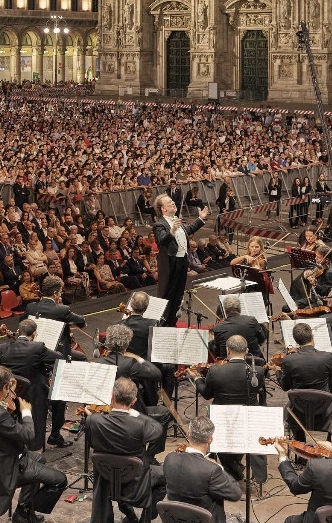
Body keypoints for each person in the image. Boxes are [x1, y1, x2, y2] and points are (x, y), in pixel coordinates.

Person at [0, 366, 68, 523]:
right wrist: (26, 412)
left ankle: (22, 511)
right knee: (60, 480)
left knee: (40, 459)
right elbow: (29, 435)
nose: (12, 394)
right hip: (6, 469)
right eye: (9, 389)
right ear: (4, 387)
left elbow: (4, 429)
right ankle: (25, 511)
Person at [83, 378, 167, 523]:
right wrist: (135, 414)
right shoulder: (140, 424)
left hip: (106, 478)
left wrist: (96, 417)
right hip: (135, 482)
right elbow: (157, 428)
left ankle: (128, 514)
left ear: (112, 396)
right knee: (163, 477)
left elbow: (91, 442)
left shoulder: (93, 421)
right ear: (134, 401)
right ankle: (144, 518)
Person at [189, 335, 265, 483]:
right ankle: (235, 464)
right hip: (248, 417)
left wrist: (197, 378)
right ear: (247, 350)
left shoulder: (216, 370)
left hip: (222, 418)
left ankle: (233, 470)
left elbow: (206, 394)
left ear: (228, 350)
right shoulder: (259, 372)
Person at [0, 318, 63, 449]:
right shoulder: (38, 347)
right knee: (59, 400)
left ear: (18, 331)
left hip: (11, 394)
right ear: (34, 333)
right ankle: (49, 439)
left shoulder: (2, 349)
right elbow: (59, 357)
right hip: (34, 395)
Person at [161, 416, 241, 523]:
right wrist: (220, 467)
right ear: (210, 440)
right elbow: (235, 494)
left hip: (176, 518)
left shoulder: (170, 458)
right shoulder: (212, 470)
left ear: (188, 434)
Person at [152, 194, 207, 327]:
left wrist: (200, 219)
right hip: (171, 263)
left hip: (182, 260)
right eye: (169, 202)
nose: (173, 203)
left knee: (179, 292)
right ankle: (164, 323)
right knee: (168, 293)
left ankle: (173, 321)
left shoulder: (176, 219)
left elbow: (187, 231)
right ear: (163, 209)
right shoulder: (159, 224)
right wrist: (172, 230)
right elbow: (162, 240)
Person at [93, 324, 162, 415]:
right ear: (127, 344)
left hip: (103, 412)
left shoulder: (95, 363)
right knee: (164, 412)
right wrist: (137, 357)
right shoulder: (131, 364)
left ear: (107, 342)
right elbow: (156, 374)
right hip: (129, 411)